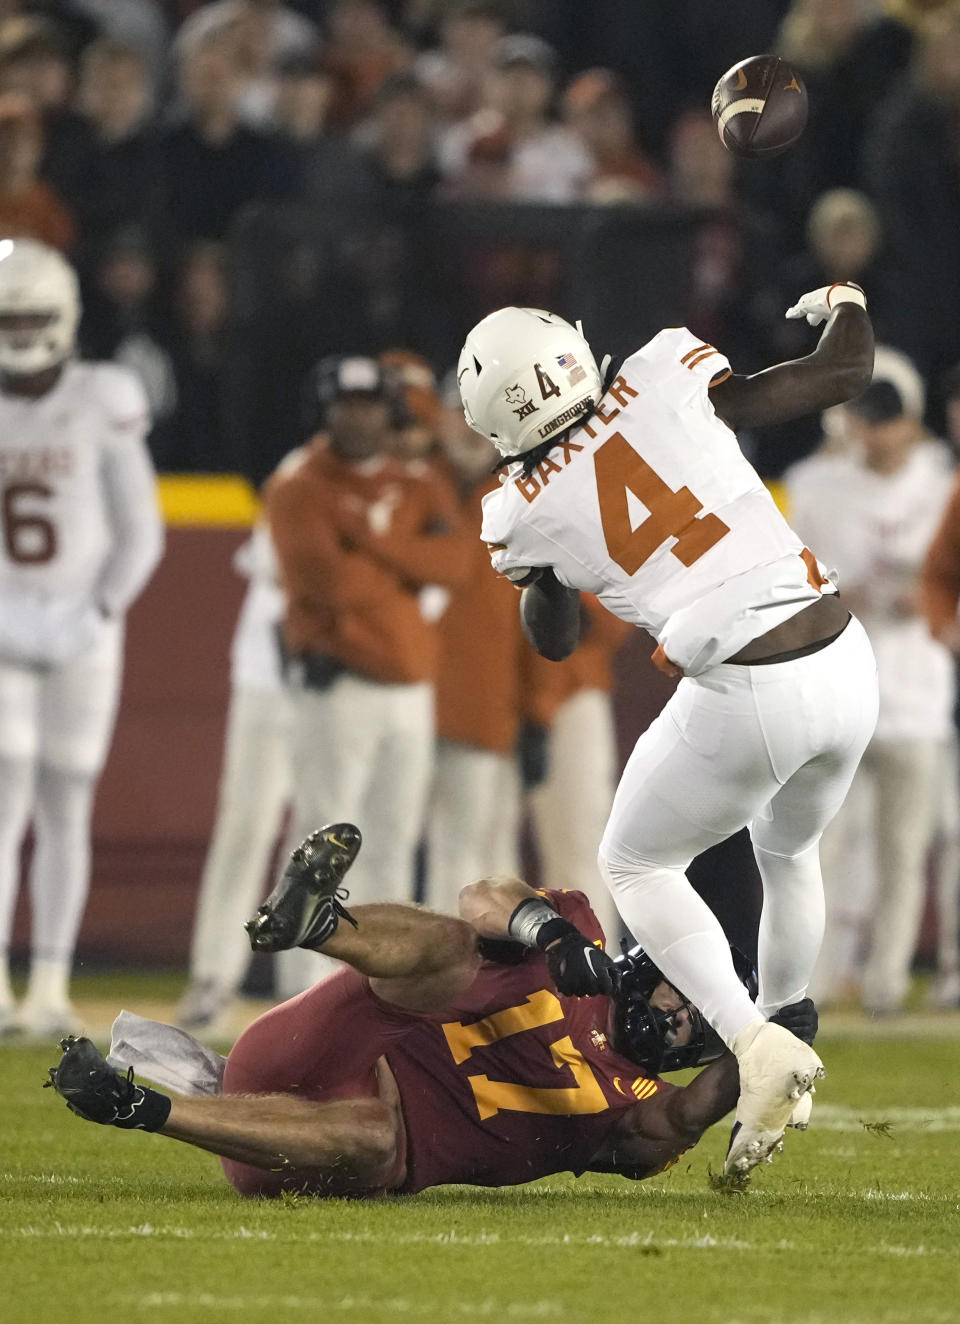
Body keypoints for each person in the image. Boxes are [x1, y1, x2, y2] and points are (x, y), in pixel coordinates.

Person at [459, 283, 878, 1177]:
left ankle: (754, 1045)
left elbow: (556, 638)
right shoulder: (659, 374)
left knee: (636, 862)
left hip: (753, 685)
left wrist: (541, 572)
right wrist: (846, 298)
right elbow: (843, 373)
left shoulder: (519, 507)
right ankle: (790, 1020)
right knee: (787, 852)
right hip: (844, 653)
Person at [45, 822, 819, 1196]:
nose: (684, 1019)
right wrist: (545, 931)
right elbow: (482, 898)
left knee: (380, 1137)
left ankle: (138, 1108)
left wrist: (772, 1036)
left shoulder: (634, 1108)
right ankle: (319, 926)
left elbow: (685, 1121)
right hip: (329, 1042)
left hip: (308, 1153)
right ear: (662, 959)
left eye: (700, 1026)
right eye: (691, 996)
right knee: (474, 949)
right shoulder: (576, 935)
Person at [264, 355, 472, 995]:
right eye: (346, 405)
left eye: (370, 405)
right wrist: (403, 574)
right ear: (324, 411)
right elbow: (331, 584)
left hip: (409, 689)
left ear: (391, 412)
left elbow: (458, 561)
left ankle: (379, 989)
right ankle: (300, 990)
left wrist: (370, 542)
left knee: (393, 842)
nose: (358, 417)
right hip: (343, 685)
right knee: (320, 841)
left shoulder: (415, 482)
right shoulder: (300, 482)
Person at [0, 238, 163, 1035]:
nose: (21, 332)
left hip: (83, 625)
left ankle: (52, 985)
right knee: (4, 798)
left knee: (65, 801)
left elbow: (142, 529)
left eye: (31, 316)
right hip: (1, 622)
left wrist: (98, 612)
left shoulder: (104, 394)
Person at [788, 366, 956, 1013]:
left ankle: (885, 982)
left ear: (911, 422)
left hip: (918, 696)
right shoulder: (816, 485)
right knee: (821, 849)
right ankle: (818, 978)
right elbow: (791, 582)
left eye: (890, 418)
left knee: (903, 853)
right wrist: (835, 595)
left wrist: (934, 601)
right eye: (870, 417)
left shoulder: (942, 486)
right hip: (840, 693)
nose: (881, 433)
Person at [176, 521, 292, 1032]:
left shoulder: (411, 483)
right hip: (269, 677)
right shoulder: (301, 476)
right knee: (246, 827)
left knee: (326, 837)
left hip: (355, 677)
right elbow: (285, 569)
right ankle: (214, 976)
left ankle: (309, 987)